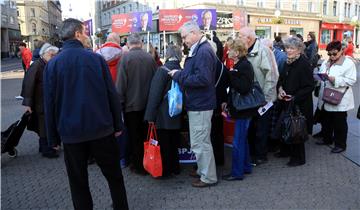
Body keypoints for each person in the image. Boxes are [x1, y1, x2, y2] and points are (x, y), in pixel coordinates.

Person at [43, 18, 128, 210]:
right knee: (114, 177)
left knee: (78, 183)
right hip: (101, 129)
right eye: (85, 31)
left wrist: (52, 138)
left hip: (71, 134)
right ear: (77, 34)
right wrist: (117, 125)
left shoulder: (53, 65)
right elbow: (111, 95)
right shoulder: (96, 59)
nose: (88, 35)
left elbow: (49, 105)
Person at [168, 21, 218, 187]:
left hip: (200, 104)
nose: (184, 41)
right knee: (200, 141)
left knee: (200, 142)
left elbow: (203, 79)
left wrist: (178, 76)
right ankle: (203, 171)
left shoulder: (203, 51)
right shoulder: (201, 49)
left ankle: (208, 177)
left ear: (194, 33)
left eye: (184, 37)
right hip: (199, 103)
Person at [115, 33, 157, 175]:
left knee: (134, 137)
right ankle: (148, 162)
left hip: (131, 106)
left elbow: (121, 85)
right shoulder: (150, 59)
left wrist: (119, 105)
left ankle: (138, 165)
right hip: (147, 105)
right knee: (146, 136)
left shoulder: (125, 58)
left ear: (128, 44)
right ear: (141, 43)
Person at [238, 27, 279, 165]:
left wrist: (266, 98)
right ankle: (252, 153)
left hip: (262, 99)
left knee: (261, 128)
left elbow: (272, 75)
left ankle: (261, 155)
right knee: (252, 127)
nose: (238, 38)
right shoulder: (244, 51)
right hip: (251, 98)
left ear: (248, 38)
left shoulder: (263, 51)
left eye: (240, 36)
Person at [144, 45, 183, 178]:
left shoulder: (162, 70)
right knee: (174, 141)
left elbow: (155, 95)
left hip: (163, 113)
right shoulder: (181, 69)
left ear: (167, 54)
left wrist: (150, 116)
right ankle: (175, 167)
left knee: (164, 143)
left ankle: (166, 169)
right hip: (177, 111)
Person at [276, 37, 314, 167]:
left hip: (299, 104)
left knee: (297, 130)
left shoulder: (303, 63)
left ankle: (298, 158)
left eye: (292, 48)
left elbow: (310, 86)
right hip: (287, 101)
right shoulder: (288, 61)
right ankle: (286, 151)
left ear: (299, 50)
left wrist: (294, 97)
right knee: (286, 126)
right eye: (287, 48)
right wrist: (280, 89)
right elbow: (281, 79)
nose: (288, 50)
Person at [222, 38, 256, 180]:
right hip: (242, 109)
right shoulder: (240, 64)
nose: (228, 51)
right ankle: (246, 167)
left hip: (243, 110)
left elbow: (243, 88)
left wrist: (231, 74)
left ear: (237, 52)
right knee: (242, 140)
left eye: (231, 49)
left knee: (238, 142)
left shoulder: (244, 66)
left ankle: (237, 173)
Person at [315, 40, 357, 153]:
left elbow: (352, 80)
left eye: (334, 54)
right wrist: (319, 77)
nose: (331, 56)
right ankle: (327, 138)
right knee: (326, 120)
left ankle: (340, 144)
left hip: (340, 98)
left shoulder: (348, 63)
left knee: (340, 123)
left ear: (341, 51)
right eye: (329, 54)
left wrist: (336, 80)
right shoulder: (326, 62)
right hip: (326, 96)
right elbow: (322, 73)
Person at [21, 43, 60, 158]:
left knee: (46, 124)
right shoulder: (37, 65)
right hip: (39, 101)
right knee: (43, 125)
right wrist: (27, 103)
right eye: (52, 55)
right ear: (44, 54)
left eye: (55, 55)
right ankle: (47, 150)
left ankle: (45, 146)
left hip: (46, 101)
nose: (54, 57)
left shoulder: (47, 64)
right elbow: (28, 84)